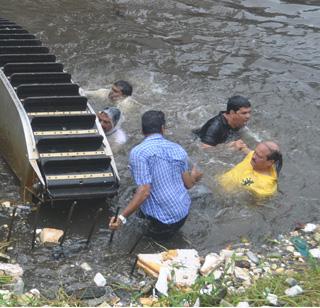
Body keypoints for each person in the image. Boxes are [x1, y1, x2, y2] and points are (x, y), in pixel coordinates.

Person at [109, 110, 203, 240]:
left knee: (146, 242)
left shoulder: (139, 152)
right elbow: (188, 184)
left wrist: (121, 217)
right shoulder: (177, 148)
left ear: (142, 130)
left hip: (163, 219)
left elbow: (145, 191)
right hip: (182, 211)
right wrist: (195, 176)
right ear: (163, 129)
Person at [218, 141, 282, 198]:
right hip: (217, 183)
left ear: (270, 162)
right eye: (255, 152)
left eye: (259, 156)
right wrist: (239, 145)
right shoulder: (254, 156)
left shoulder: (265, 187)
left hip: (223, 197)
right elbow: (247, 151)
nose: (253, 156)